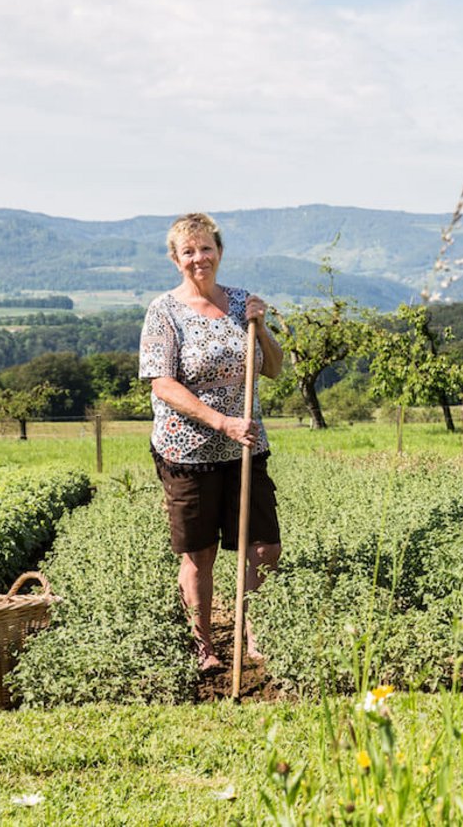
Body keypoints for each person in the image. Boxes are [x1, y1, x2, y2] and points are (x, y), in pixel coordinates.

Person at [139, 212, 284, 671]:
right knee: (199, 556)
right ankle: (204, 647)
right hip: (188, 451)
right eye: (189, 251)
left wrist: (261, 328)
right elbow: (162, 383)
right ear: (175, 259)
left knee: (263, 547)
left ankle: (251, 632)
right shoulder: (164, 311)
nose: (199, 258)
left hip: (245, 446)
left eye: (206, 248)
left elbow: (273, 368)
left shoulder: (242, 302)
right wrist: (221, 422)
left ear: (219, 252)